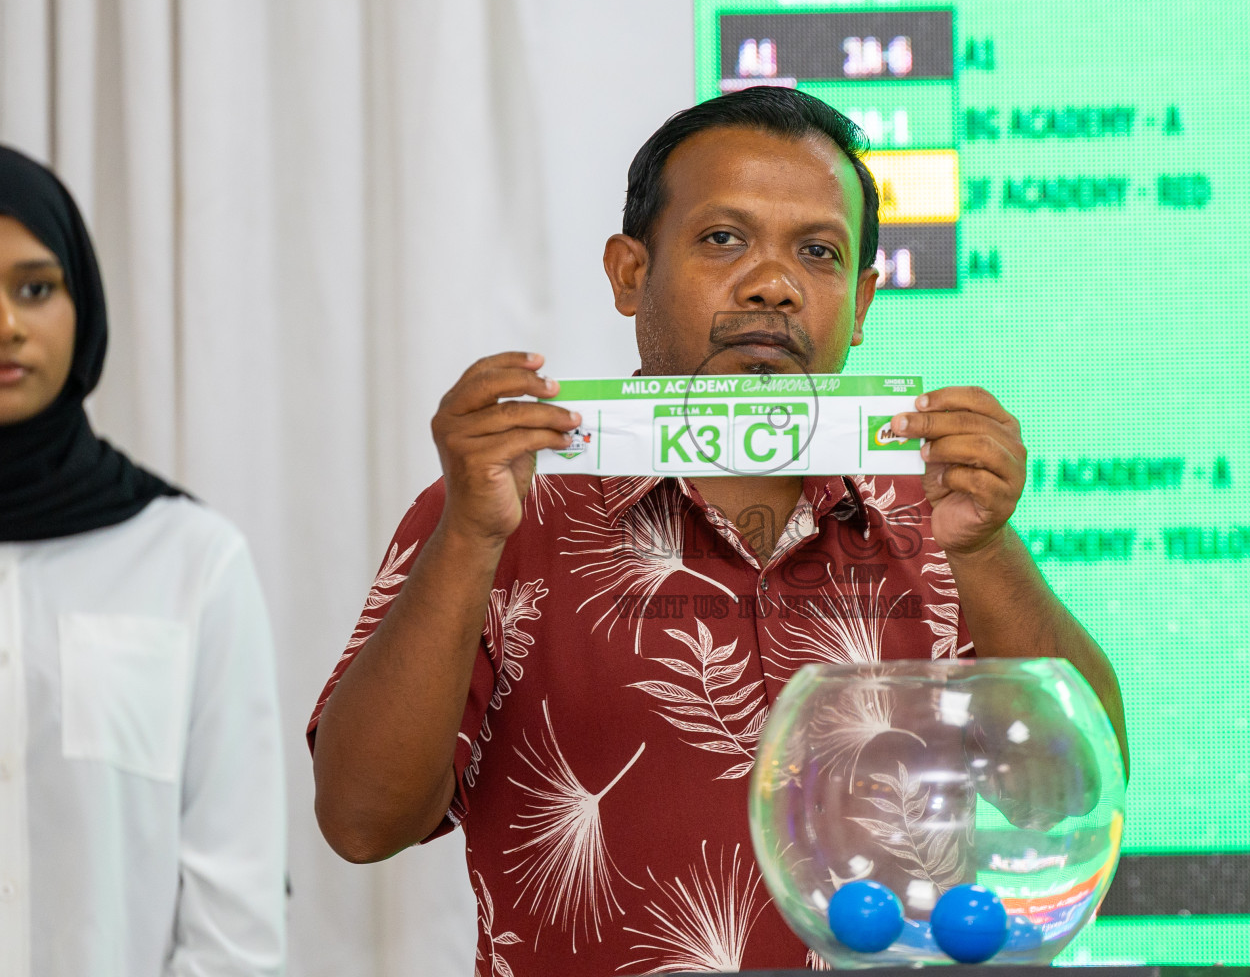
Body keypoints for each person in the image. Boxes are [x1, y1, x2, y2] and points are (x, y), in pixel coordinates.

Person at [309, 87, 1126, 975]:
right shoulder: (502, 506)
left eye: (817, 252)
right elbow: (360, 823)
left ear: (860, 303)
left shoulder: (941, 514)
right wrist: (468, 536)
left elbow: (1066, 796)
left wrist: (986, 549)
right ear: (630, 272)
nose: (772, 283)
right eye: (722, 238)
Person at [0, 146, 285, 975]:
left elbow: (236, 909)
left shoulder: (189, 561)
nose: (8, 324)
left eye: (35, 288)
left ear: (81, 305)